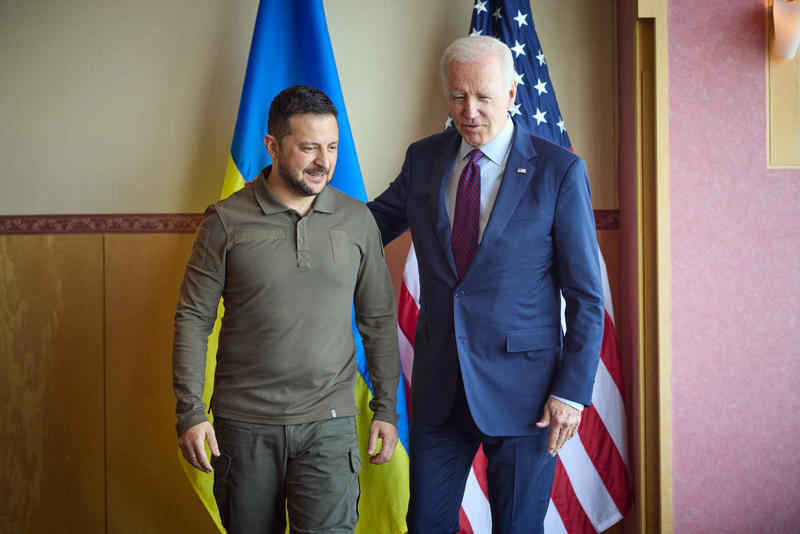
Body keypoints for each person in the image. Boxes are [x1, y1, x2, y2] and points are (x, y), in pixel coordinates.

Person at [368, 36, 605, 533]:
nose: (469, 111)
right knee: (425, 525)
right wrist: (298, 208)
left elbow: (585, 296)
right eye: (457, 96)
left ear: (513, 94)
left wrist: (572, 392)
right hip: (441, 387)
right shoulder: (424, 158)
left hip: (529, 397)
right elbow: (370, 226)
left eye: (483, 96)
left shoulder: (559, 171)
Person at [172, 85, 401, 534]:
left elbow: (377, 319)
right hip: (243, 427)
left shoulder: (358, 221)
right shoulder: (224, 220)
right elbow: (193, 319)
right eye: (309, 146)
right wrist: (190, 412)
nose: (324, 161)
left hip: (330, 427)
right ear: (273, 146)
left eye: (332, 147)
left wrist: (387, 410)